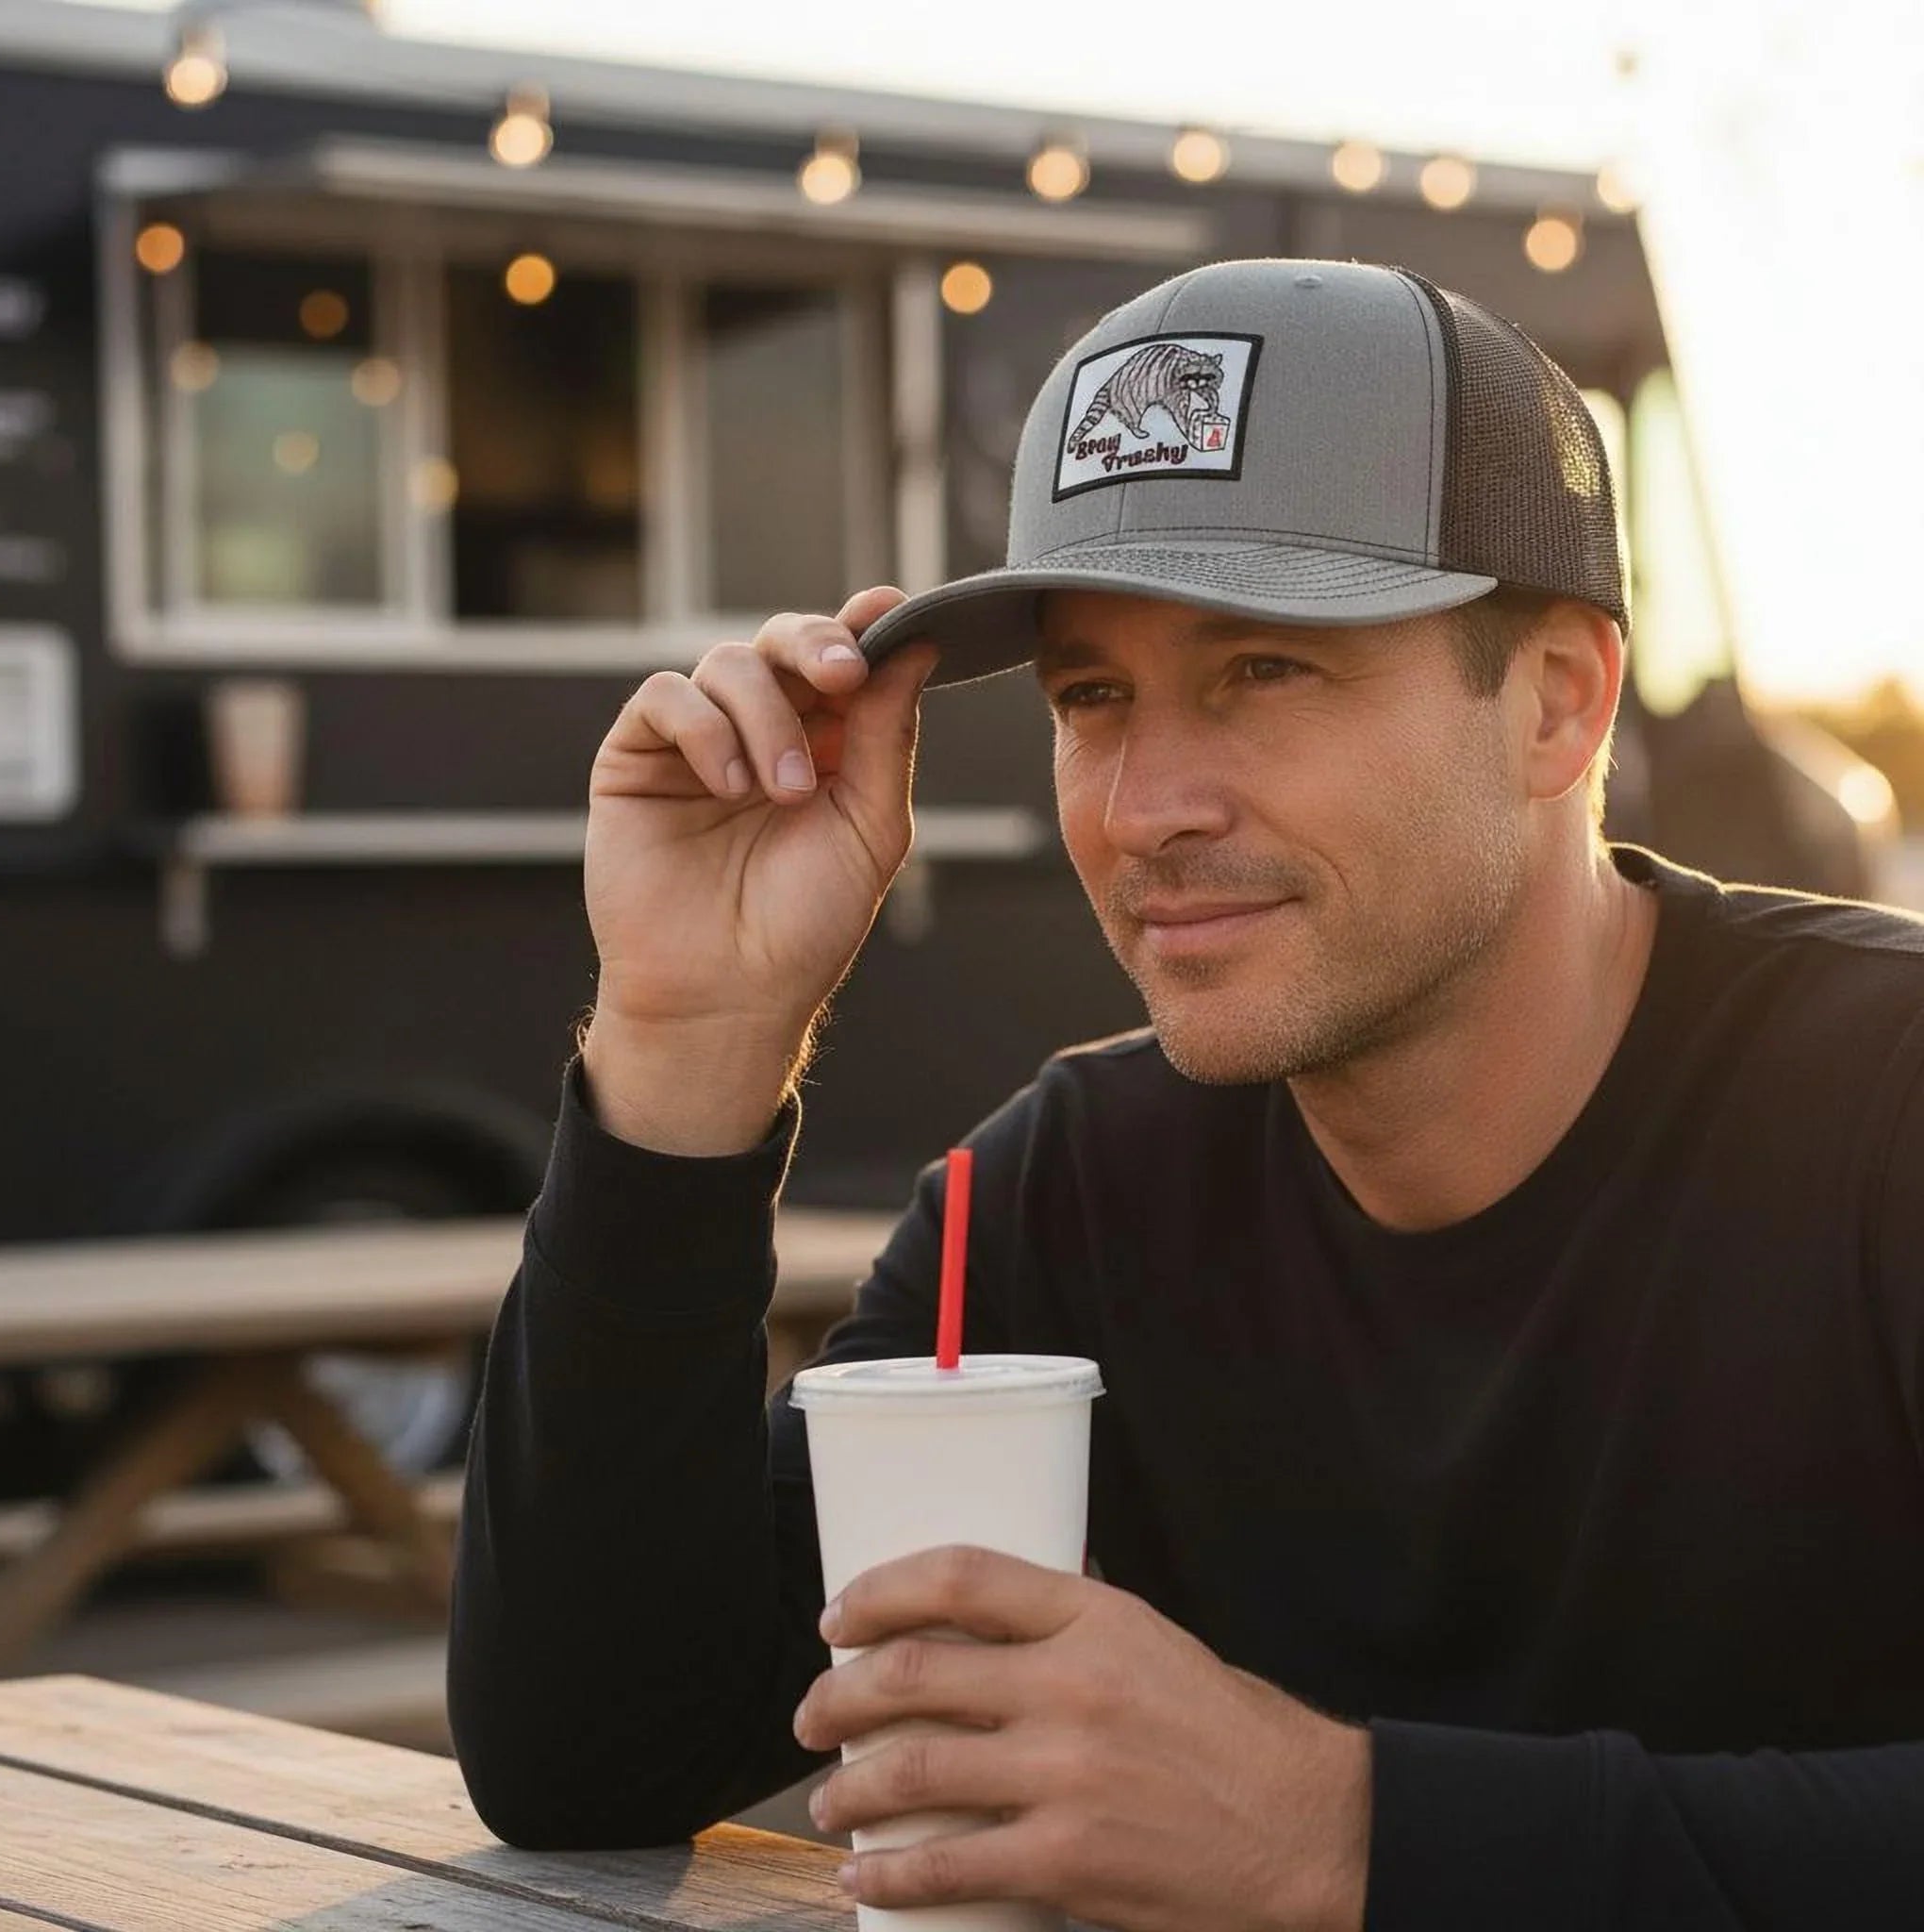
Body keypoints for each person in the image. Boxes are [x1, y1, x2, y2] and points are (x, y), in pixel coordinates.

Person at [447, 258, 1924, 1929]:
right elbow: (586, 1754)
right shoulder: (1066, 1192)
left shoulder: (1880, 1110)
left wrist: (1347, 1834)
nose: (1145, 804)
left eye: (1265, 672)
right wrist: (687, 1033)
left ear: (1559, 701)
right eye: (1094, 697)